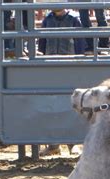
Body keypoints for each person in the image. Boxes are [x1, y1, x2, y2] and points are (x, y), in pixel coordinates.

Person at [38, 9, 85, 156]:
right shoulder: (47, 20)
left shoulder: (74, 19)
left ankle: (73, 143)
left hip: (70, 66)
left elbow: (80, 44)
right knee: (51, 105)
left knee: (71, 105)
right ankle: (53, 144)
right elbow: (42, 44)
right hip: (51, 66)